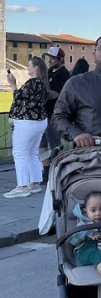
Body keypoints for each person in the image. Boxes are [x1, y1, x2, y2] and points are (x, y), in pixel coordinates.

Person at [5, 58, 50, 199]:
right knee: (32, 152)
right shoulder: (42, 83)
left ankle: (22, 186)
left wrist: (13, 84)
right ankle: (34, 183)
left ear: (36, 67)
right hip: (39, 121)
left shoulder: (32, 83)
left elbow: (18, 98)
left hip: (27, 122)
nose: (27, 68)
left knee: (20, 153)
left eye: (29, 66)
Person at [40, 47, 70, 181]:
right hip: (44, 114)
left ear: (61, 59)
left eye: (52, 58)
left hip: (54, 115)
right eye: (48, 57)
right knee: (42, 145)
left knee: (54, 145)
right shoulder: (49, 72)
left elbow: (56, 95)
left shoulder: (64, 74)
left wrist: (43, 91)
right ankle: (46, 173)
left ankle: (57, 172)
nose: (49, 60)